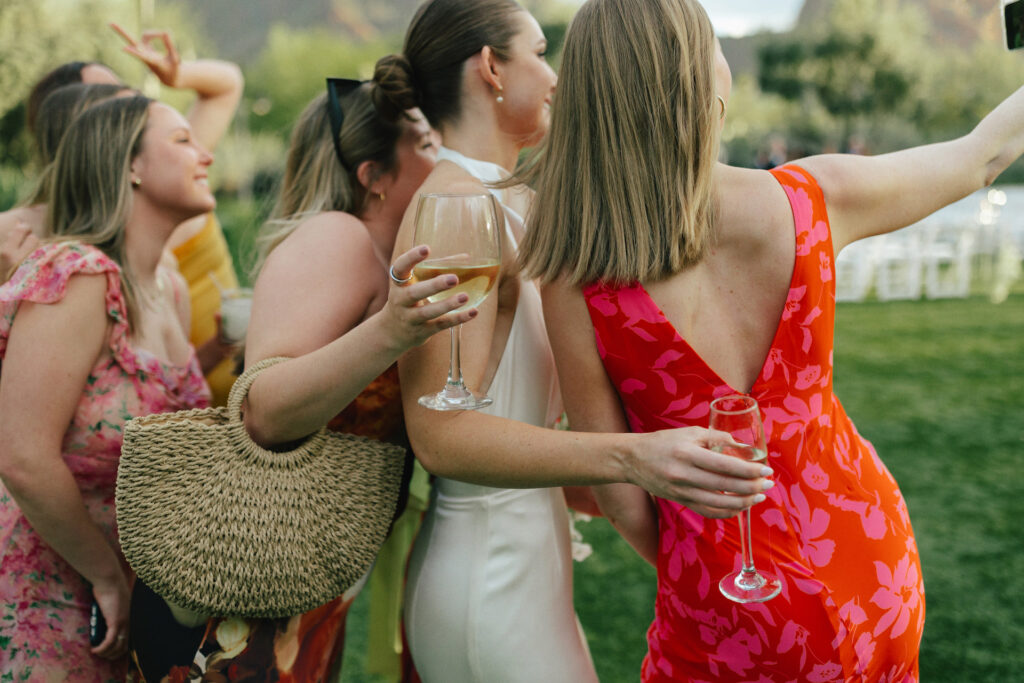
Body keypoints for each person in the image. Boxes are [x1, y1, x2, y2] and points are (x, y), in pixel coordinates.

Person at [520, 0, 1024, 680]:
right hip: (868, 558)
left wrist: (705, 558)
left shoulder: (575, 274)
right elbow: (982, 155)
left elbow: (620, 491)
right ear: (705, 84)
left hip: (725, 607)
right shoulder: (810, 198)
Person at [373, 1, 772, 680]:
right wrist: (631, 457)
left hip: (532, 558)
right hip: (487, 574)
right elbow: (440, 435)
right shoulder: (451, 208)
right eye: (538, 51)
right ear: (491, 68)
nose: (556, 76)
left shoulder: (513, 199)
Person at [126, 80, 460, 682]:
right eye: (431, 144)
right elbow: (263, 410)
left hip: (299, 575)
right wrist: (390, 331)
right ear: (373, 174)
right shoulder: (339, 236)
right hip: (243, 577)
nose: (448, 161)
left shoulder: (379, 253)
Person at [0, 94, 213, 681]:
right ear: (130, 165)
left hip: (141, 599)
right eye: (183, 140)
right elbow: (22, 456)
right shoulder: (77, 274)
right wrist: (105, 575)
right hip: (52, 590)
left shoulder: (169, 289)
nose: (208, 154)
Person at [1, 23, 245, 405]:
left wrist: (177, 75)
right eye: (108, 99)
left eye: (127, 94)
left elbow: (154, 386)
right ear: (87, 135)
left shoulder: (167, 268)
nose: (129, 107)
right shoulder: (36, 245)